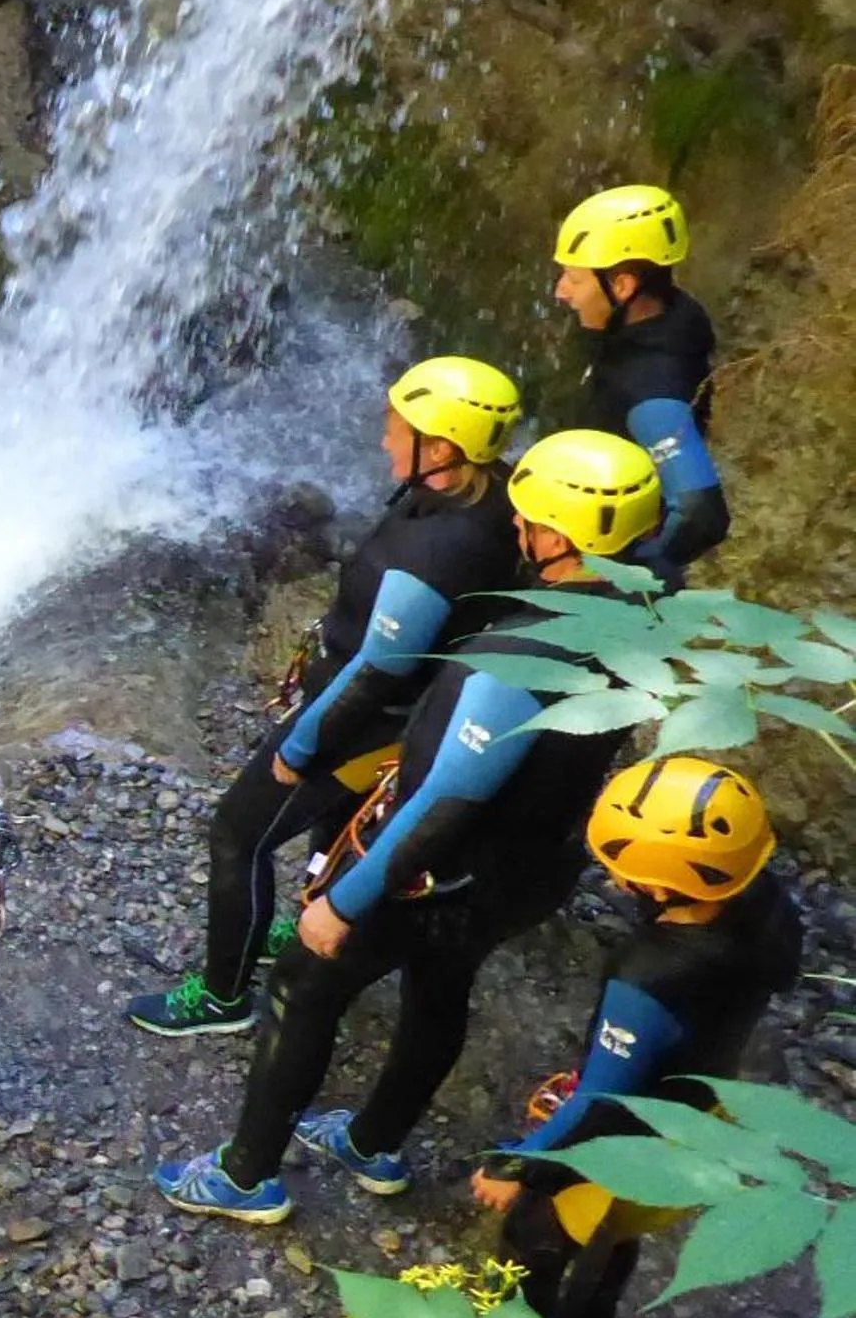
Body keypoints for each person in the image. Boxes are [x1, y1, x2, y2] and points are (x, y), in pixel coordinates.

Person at [154, 429, 663, 1223]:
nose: (516, 530)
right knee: (440, 987)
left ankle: (246, 1175)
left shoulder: (517, 656)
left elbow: (445, 803)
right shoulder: (631, 619)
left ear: (560, 536)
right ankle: (371, 1142)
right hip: (530, 867)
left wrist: (344, 901)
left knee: (300, 985)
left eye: (528, 520)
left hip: (446, 872)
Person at [127, 357, 524, 1036]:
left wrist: (300, 745)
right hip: (398, 713)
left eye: (395, 429)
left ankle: (221, 997)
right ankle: (305, 910)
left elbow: (378, 670)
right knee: (331, 825)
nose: (382, 441)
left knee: (238, 833)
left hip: (369, 724)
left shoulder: (440, 549)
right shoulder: (490, 498)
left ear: (442, 448)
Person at [470, 757, 803, 1318]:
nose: (614, 879)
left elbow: (603, 1102)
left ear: (658, 883)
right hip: (699, 1116)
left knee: (536, 1236)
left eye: (623, 868)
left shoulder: (646, 978)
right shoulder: (769, 906)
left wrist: (518, 1166)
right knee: (613, 1238)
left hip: (630, 1140)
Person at [553, 184, 729, 584]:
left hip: (608, 573)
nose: (560, 292)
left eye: (573, 280)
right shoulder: (670, 315)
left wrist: (621, 570)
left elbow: (702, 512)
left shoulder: (651, 390)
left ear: (623, 286)